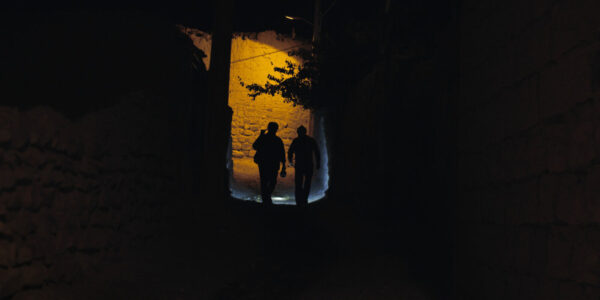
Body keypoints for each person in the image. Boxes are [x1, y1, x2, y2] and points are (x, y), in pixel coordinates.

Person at [252, 122, 286, 206]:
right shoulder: (277, 140)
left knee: (265, 181)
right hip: (272, 163)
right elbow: (282, 153)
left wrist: (260, 136)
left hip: (264, 163)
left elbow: (255, 146)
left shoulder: (264, 138)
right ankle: (266, 198)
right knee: (271, 181)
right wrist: (283, 166)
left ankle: (266, 198)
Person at [288, 125, 320, 208]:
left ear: (298, 132)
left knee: (298, 183)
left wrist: (291, 161)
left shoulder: (296, 141)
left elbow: (290, 152)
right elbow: (317, 152)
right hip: (308, 164)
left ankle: (299, 201)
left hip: (299, 164)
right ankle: (304, 199)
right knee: (307, 183)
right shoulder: (311, 140)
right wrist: (318, 163)